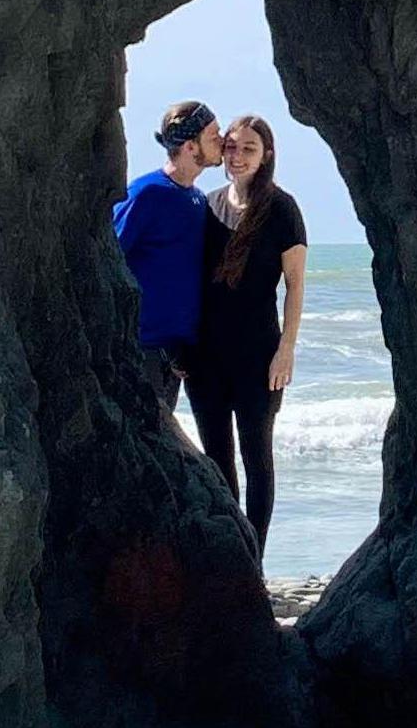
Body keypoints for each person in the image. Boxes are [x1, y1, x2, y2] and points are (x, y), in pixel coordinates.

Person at [185, 112, 308, 551]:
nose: (237, 156)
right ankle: (231, 555)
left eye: (248, 149)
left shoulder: (281, 209)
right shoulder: (206, 204)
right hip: (205, 356)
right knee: (217, 461)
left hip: (259, 353)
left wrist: (287, 349)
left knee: (257, 457)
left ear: (267, 156)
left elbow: (295, 284)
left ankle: (254, 555)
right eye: (232, 147)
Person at [113, 100, 218, 398]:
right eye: (213, 136)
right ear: (189, 147)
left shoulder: (198, 199)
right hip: (141, 350)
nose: (222, 142)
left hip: (179, 354)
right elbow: (109, 259)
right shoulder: (145, 193)